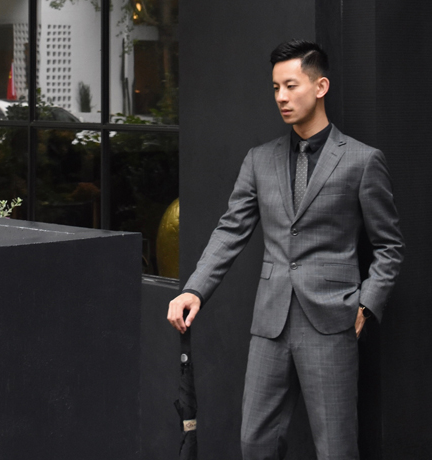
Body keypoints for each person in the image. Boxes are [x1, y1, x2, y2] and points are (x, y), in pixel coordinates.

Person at [167, 39, 404, 460]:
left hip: (331, 321)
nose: (281, 97)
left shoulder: (362, 161)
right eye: (275, 87)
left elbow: (389, 246)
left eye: (291, 85)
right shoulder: (260, 160)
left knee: (336, 449)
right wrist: (195, 289)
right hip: (270, 323)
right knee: (255, 443)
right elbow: (230, 230)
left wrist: (366, 305)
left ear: (320, 86)